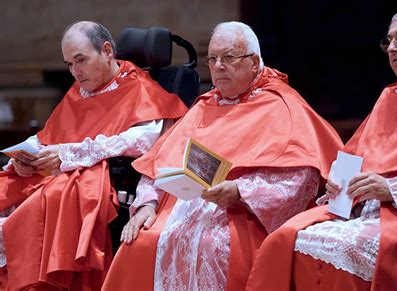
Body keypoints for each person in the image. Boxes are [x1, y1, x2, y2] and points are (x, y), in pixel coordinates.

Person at [102, 21, 343, 290]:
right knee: (140, 241)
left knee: (209, 244)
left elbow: (301, 179)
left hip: (243, 214)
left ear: (253, 61)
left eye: (228, 57)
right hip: (178, 209)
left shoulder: (283, 105)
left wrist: (241, 191)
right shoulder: (205, 105)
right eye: (213, 59)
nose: (218, 66)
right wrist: (147, 205)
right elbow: (158, 165)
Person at [246, 9, 397, 291]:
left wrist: (393, 189)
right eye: (388, 41)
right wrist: (337, 183)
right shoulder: (391, 95)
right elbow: (358, 155)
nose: (392, 48)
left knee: (347, 248)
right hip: (366, 207)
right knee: (284, 238)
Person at [0, 21, 188, 290]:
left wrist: (69, 155)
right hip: (57, 171)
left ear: (108, 51)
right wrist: (25, 156)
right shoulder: (81, 90)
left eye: (81, 60)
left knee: (45, 202)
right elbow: (49, 134)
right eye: (68, 64)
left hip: (100, 178)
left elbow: (141, 141)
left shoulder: (140, 89)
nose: (75, 72)